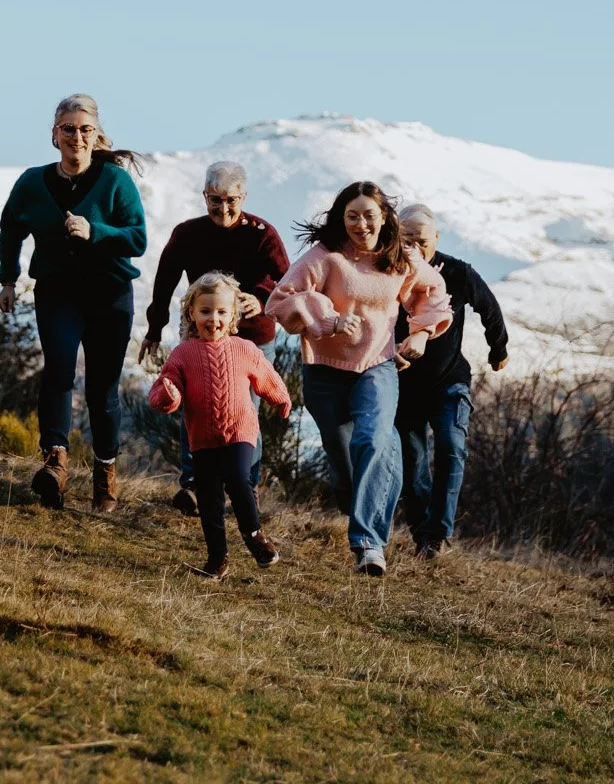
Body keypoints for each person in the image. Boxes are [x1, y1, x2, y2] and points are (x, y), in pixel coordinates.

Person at [266, 181, 451, 576]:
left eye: (369, 215)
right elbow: (280, 300)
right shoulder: (325, 257)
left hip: (377, 364)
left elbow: (432, 291)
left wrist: (419, 332)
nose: (361, 224)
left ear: (385, 218)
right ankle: (360, 501)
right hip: (325, 371)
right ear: (341, 218)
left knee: (374, 439)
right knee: (346, 465)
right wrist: (328, 319)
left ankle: (369, 546)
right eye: (352, 216)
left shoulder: (400, 257)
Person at [0, 94, 149, 513]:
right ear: (54, 134)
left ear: (95, 134)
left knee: (102, 389)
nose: (76, 137)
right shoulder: (32, 182)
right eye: (68, 129)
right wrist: (8, 279)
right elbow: (11, 228)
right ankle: (56, 463)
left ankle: (105, 478)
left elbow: (138, 238)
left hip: (110, 294)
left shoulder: (116, 181)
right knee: (59, 370)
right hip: (58, 292)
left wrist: (95, 230)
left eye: (85, 130)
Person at [140, 159, 290, 514]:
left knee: (246, 411)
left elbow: (287, 277)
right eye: (215, 200)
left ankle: (246, 487)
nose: (223, 208)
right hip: (200, 333)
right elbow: (164, 282)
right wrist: (154, 329)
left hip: (252, 336)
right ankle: (194, 485)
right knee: (193, 407)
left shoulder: (261, 233)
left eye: (231, 201)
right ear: (204, 197)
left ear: (244, 197)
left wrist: (262, 296)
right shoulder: (188, 233)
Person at [147, 272, 291, 579]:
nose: (214, 318)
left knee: (239, 478)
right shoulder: (183, 354)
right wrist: (168, 397)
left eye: (222, 312)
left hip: (240, 430)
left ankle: (254, 537)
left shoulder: (244, 348)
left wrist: (280, 398)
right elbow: (165, 386)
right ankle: (217, 558)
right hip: (202, 437)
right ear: (191, 314)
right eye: (205, 311)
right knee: (209, 498)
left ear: (233, 316)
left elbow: (266, 375)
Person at [393, 204, 509, 559]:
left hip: (449, 381)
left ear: (436, 239)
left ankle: (439, 534)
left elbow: (488, 307)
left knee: (451, 446)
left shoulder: (458, 272)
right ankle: (422, 533)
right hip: (403, 385)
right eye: (406, 239)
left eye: (421, 240)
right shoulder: (387, 273)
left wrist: (498, 349)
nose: (414, 247)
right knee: (412, 464)